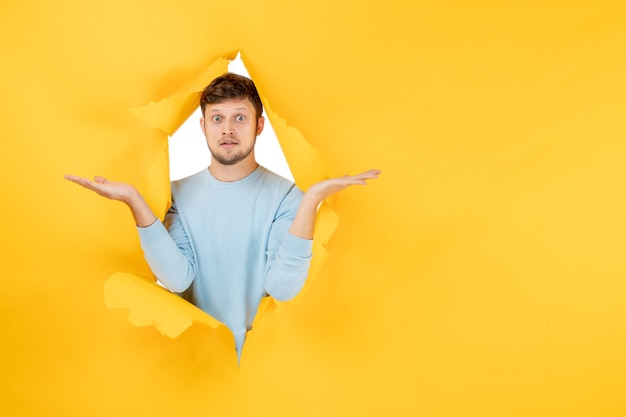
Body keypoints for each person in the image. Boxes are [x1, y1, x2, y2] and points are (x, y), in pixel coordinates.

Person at [65, 73, 380, 359]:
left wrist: (311, 200)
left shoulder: (288, 196)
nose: (227, 129)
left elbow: (283, 288)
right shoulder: (174, 194)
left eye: (239, 117)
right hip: (196, 365)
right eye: (217, 118)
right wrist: (135, 202)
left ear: (259, 125)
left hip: (267, 366)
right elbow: (177, 279)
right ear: (203, 126)